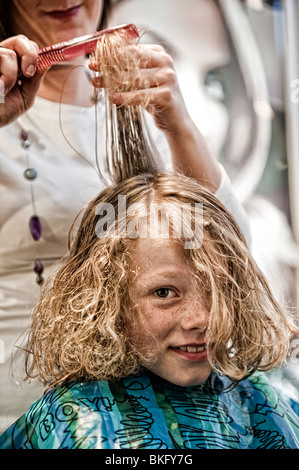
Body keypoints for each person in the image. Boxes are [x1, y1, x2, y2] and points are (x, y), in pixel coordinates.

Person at [0, 0, 251, 432]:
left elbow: (233, 260)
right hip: (24, 413)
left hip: (149, 415)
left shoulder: (147, 105)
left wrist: (180, 124)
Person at [0, 169, 298, 449]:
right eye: (164, 292)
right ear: (107, 302)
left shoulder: (264, 401)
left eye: (218, 289)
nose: (202, 318)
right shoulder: (78, 423)